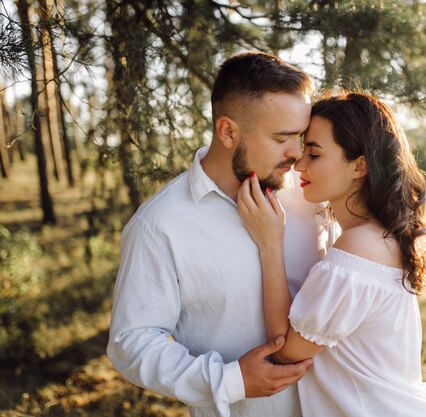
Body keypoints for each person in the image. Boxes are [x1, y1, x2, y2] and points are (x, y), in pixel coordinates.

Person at [107, 52, 332, 417]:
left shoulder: (313, 194)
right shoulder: (159, 225)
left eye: (301, 137)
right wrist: (230, 381)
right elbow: (131, 342)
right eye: (282, 138)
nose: (297, 154)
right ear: (228, 131)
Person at [237, 92, 426, 416]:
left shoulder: (359, 247)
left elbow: (286, 350)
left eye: (314, 154)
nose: (299, 164)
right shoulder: (379, 236)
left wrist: (270, 243)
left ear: (360, 165)